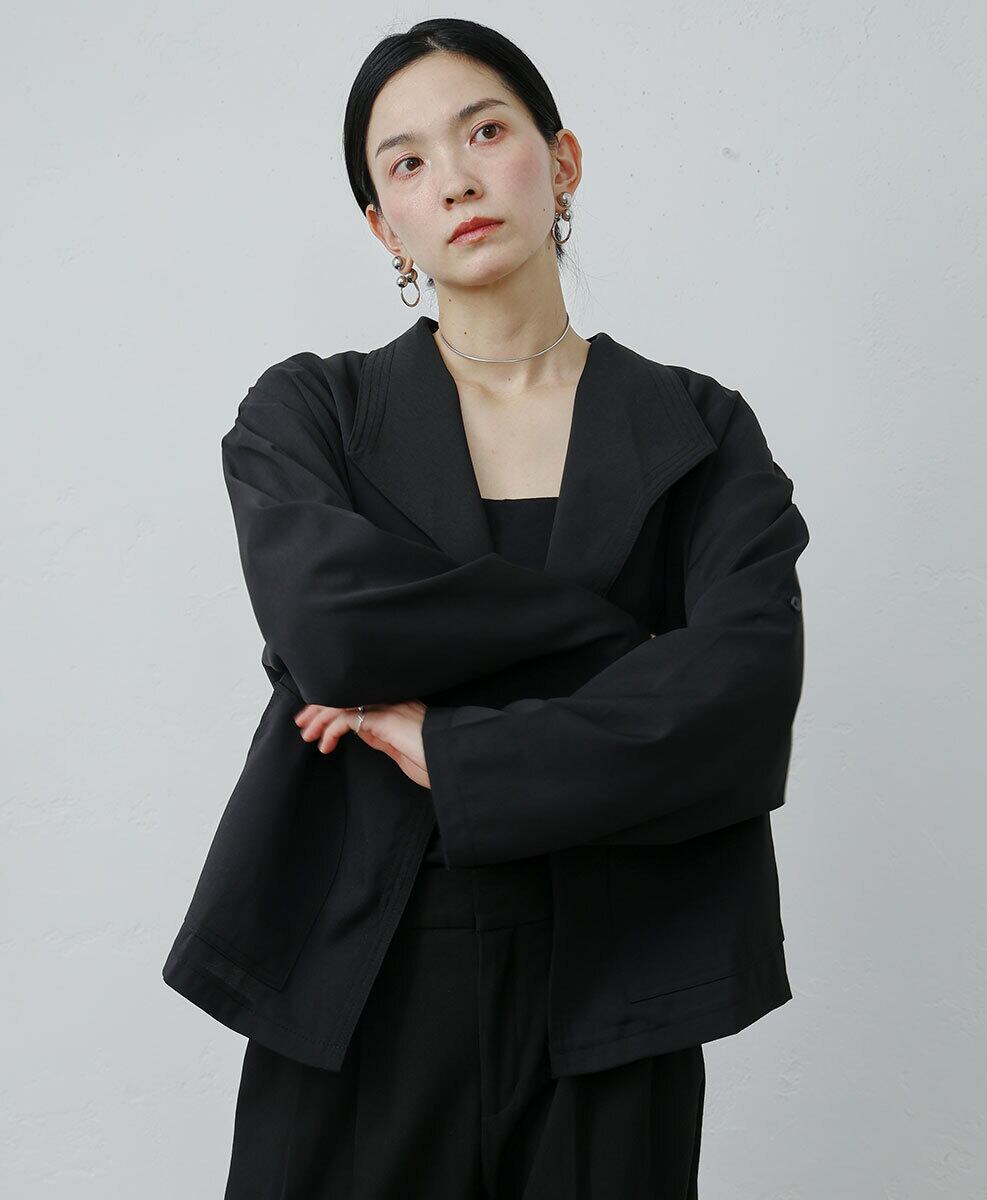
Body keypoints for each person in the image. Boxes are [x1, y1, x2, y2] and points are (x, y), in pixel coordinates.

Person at [200, 17, 810, 1199]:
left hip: (615, 980)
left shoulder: (698, 429)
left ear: (560, 159)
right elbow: (331, 632)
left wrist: (456, 747)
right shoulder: (310, 415)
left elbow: (740, 695)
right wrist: (624, 647)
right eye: (408, 161)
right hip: (357, 967)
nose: (457, 179)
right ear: (383, 225)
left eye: (485, 132)